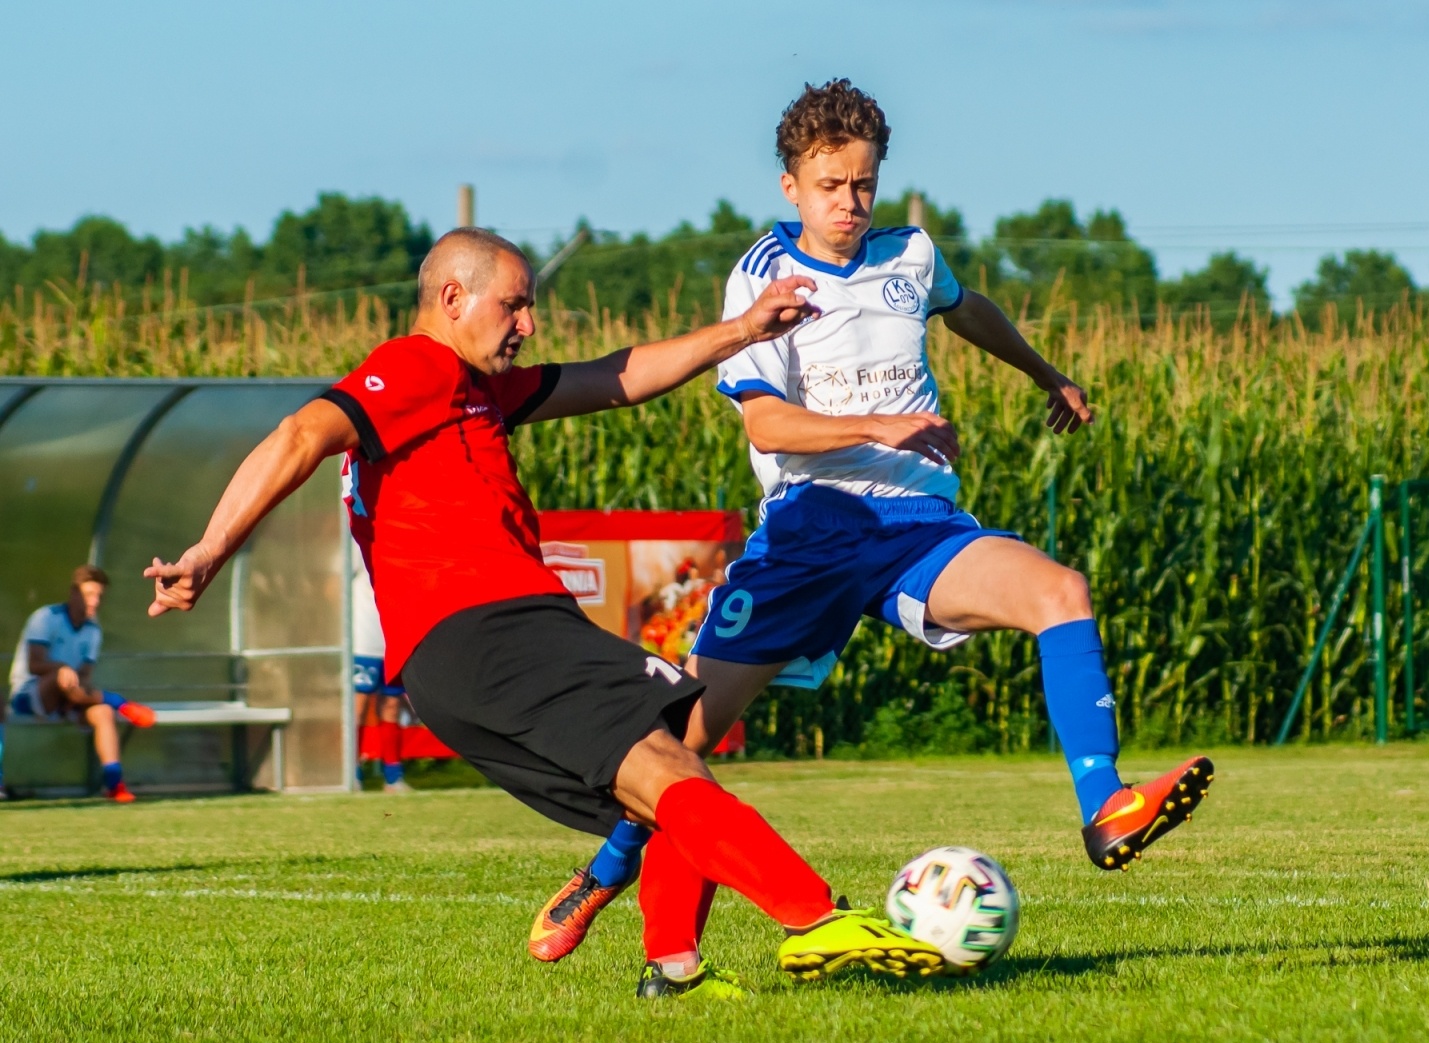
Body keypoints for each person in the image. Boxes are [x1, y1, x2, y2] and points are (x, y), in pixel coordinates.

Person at [144, 226, 944, 999]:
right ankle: (818, 919)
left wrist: (740, 330)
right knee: (668, 763)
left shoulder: (474, 389)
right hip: (491, 625)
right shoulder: (416, 365)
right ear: (453, 297)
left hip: (455, 655)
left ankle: (672, 969)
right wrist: (211, 549)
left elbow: (611, 377)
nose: (529, 325)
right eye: (515, 306)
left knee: (665, 772)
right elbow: (301, 433)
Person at [530, 79, 1216, 973]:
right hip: (809, 533)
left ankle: (1105, 805)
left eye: (862, 183)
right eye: (830, 185)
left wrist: (1046, 374)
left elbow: (966, 308)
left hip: (918, 525)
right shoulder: (766, 279)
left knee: (1059, 590)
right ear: (791, 187)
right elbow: (767, 425)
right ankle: (608, 879)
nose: (849, 203)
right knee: (683, 743)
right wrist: (877, 426)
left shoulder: (912, 258)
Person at [5, 564, 157, 802]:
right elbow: (35, 665)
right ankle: (121, 703)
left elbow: (85, 675)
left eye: (100, 596)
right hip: (30, 697)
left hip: (71, 697)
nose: (95, 601)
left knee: (102, 713)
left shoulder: (93, 630)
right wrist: (62, 669)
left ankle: (114, 784)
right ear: (74, 593)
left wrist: (74, 689)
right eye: (89, 594)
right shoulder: (46, 617)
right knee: (61, 676)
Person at [350, 562, 411, 792]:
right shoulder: (355, 543)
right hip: (362, 641)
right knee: (358, 707)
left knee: (392, 706)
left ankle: (393, 777)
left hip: (391, 640)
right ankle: (351, 774)